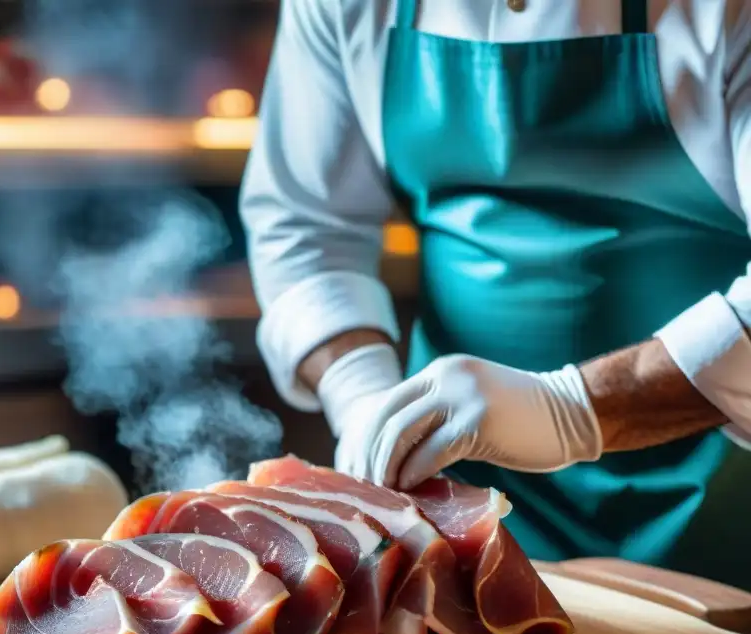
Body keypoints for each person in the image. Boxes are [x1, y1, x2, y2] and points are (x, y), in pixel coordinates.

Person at [240, 0, 751, 588]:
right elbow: (306, 230)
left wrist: (569, 409)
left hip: (724, 488)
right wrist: (361, 396)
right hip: (454, 484)